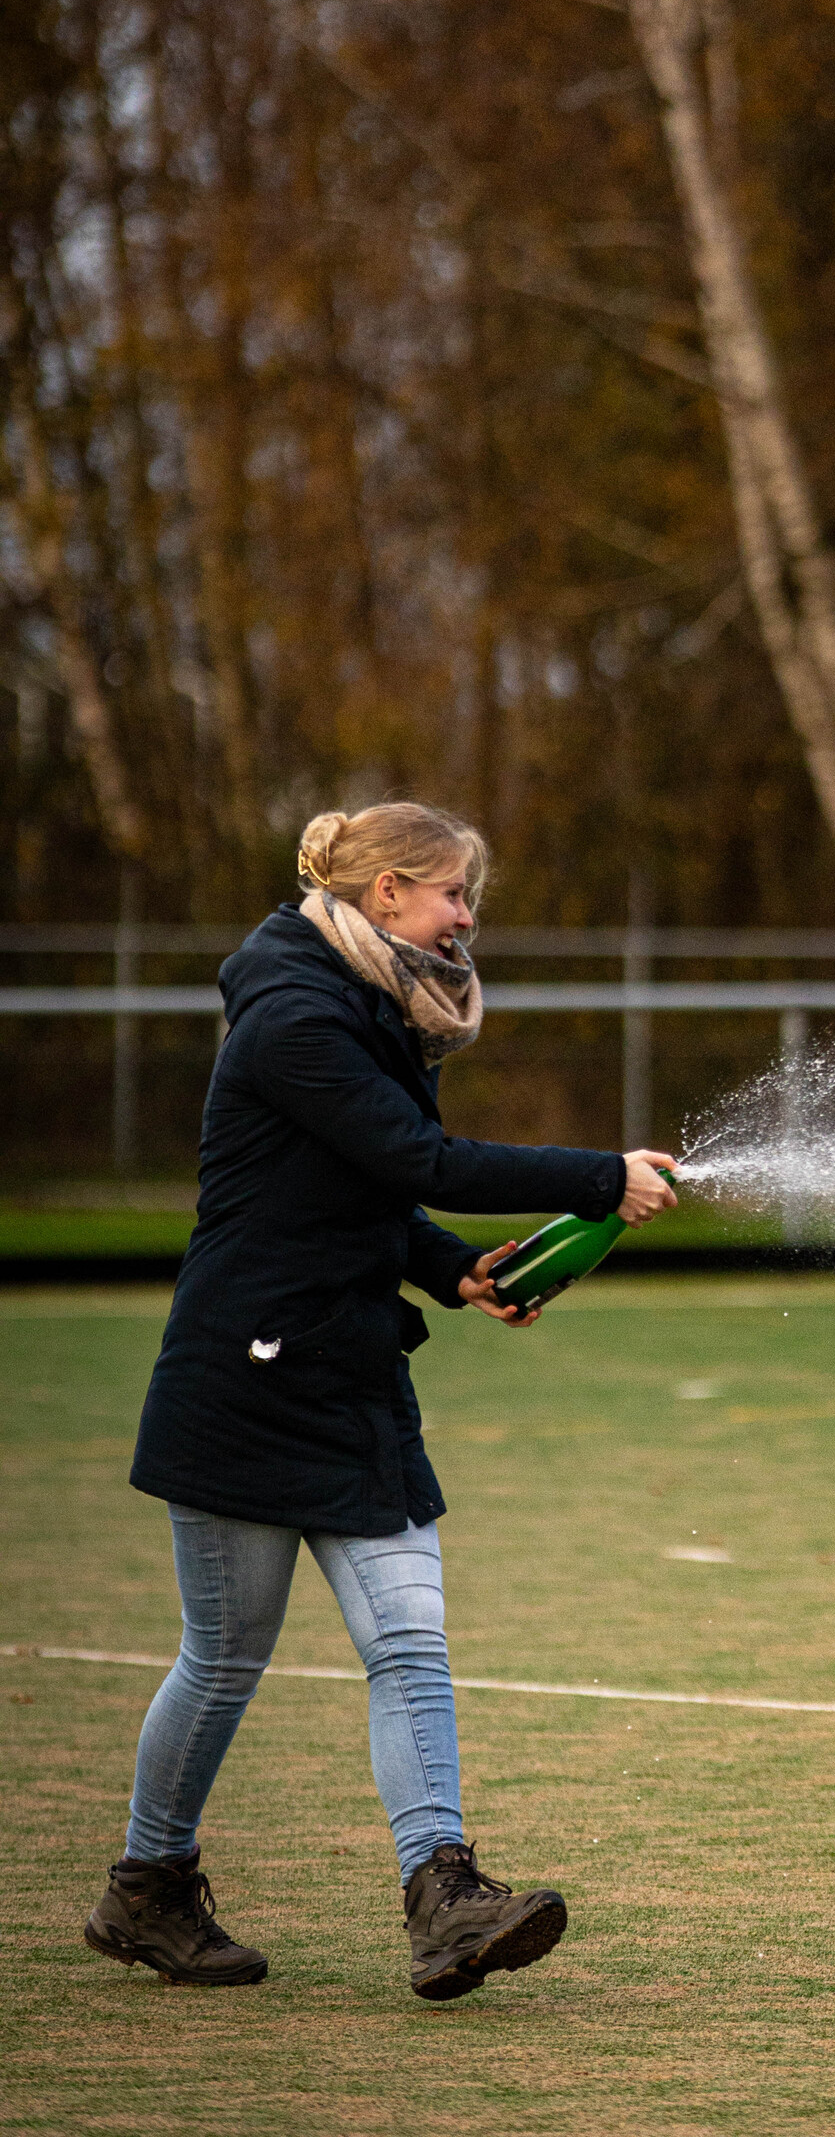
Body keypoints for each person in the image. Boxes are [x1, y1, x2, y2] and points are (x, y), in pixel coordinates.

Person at [82, 801, 680, 2001]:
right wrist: (601, 1178)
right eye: (457, 894)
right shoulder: (297, 1016)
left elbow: (369, 1190)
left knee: (409, 1641)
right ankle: (149, 1889)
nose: (468, 920)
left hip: (352, 1371)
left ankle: (444, 1897)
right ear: (390, 892)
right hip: (242, 1379)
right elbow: (417, 1158)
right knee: (224, 1659)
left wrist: (446, 1266)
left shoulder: (364, 1002)